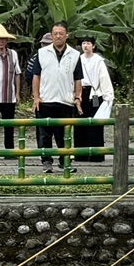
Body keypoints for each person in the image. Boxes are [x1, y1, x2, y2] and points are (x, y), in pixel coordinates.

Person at [32, 22, 84, 174]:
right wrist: (36, 97)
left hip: (65, 101)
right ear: (51, 35)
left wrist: (77, 97)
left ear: (66, 35)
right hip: (45, 100)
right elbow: (36, 76)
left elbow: (78, 78)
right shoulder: (42, 53)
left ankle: (64, 161)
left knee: (64, 135)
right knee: (44, 135)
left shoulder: (74, 55)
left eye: (61, 33)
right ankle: (46, 162)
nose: (58, 36)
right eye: (55, 34)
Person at [75, 36, 115, 160]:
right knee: (80, 124)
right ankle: (80, 154)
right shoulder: (78, 59)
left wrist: (108, 96)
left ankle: (96, 155)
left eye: (88, 43)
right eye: (83, 43)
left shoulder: (98, 61)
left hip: (95, 93)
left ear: (93, 46)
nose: (86, 46)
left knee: (95, 124)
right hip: (81, 93)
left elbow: (104, 78)